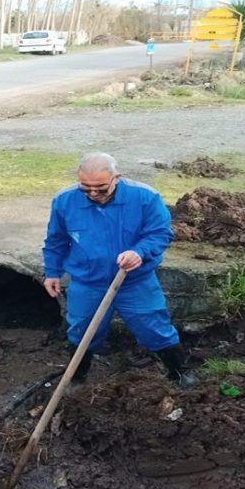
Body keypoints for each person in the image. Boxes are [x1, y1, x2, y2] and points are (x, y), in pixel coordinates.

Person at [42, 152, 196, 386]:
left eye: (101, 188)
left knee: (154, 327)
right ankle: (77, 378)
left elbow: (160, 233)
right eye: (86, 188)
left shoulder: (144, 198)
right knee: (82, 331)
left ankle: (179, 372)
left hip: (134, 282)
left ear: (117, 178)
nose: (93, 194)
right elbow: (56, 240)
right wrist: (52, 271)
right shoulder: (64, 201)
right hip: (88, 282)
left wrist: (140, 252)